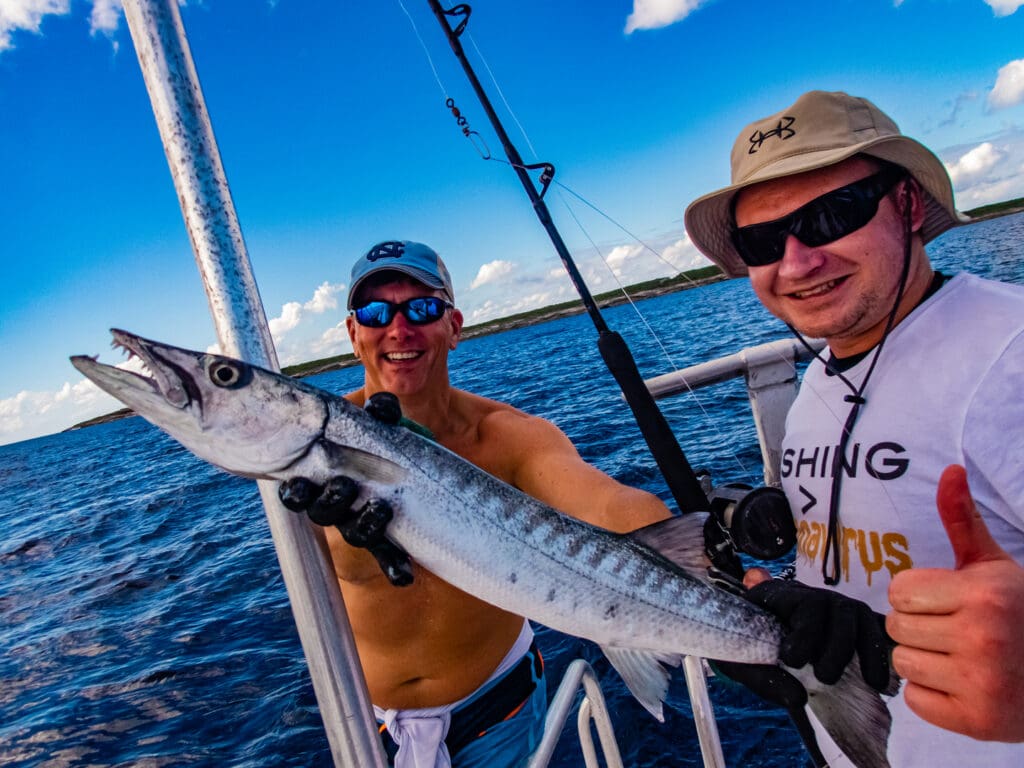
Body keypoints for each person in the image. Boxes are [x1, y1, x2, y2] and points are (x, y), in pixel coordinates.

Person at [684, 90, 1024, 766]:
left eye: (832, 216)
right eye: (760, 242)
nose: (796, 262)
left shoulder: (1009, 352)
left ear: (904, 203)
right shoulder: (819, 381)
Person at [280, 239, 672, 768]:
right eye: (375, 312)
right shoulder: (309, 451)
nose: (399, 328)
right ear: (354, 334)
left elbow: (604, 503)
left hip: (501, 715)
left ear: (455, 325)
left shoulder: (510, 438)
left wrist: (694, 557)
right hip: (368, 732)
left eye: (422, 308)